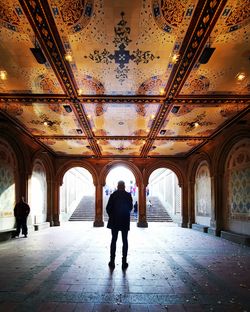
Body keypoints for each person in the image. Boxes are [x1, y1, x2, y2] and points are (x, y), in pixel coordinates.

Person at [106, 180, 133, 270]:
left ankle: (112, 261)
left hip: (114, 221)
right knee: (125, 241)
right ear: (124, 186)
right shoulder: (128, 195)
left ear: (117, 186)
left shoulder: (113, 195)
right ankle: (124, 262)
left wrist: (112, 215)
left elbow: (108, 208)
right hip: (124, 221)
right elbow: (130, 207)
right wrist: (125, 214)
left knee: (114, 240)